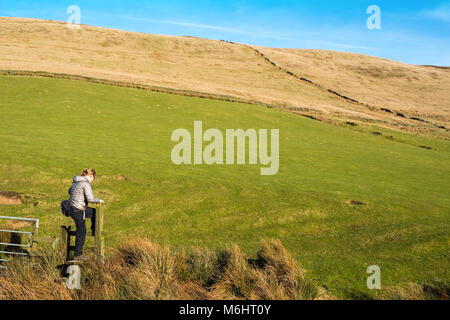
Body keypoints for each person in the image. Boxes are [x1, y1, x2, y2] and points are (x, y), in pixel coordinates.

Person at [68, 168, 104, 261]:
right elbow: (90, 199)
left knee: (93, 212)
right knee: (81, 232)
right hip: (79, 210)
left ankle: (94, 229)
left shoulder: (76, 181)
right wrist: (99, 200)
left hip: (73, 208)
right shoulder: (86, 183)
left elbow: (69, 191)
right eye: (93, 179)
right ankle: (77, 255)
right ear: (91, 176)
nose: (92, 181)